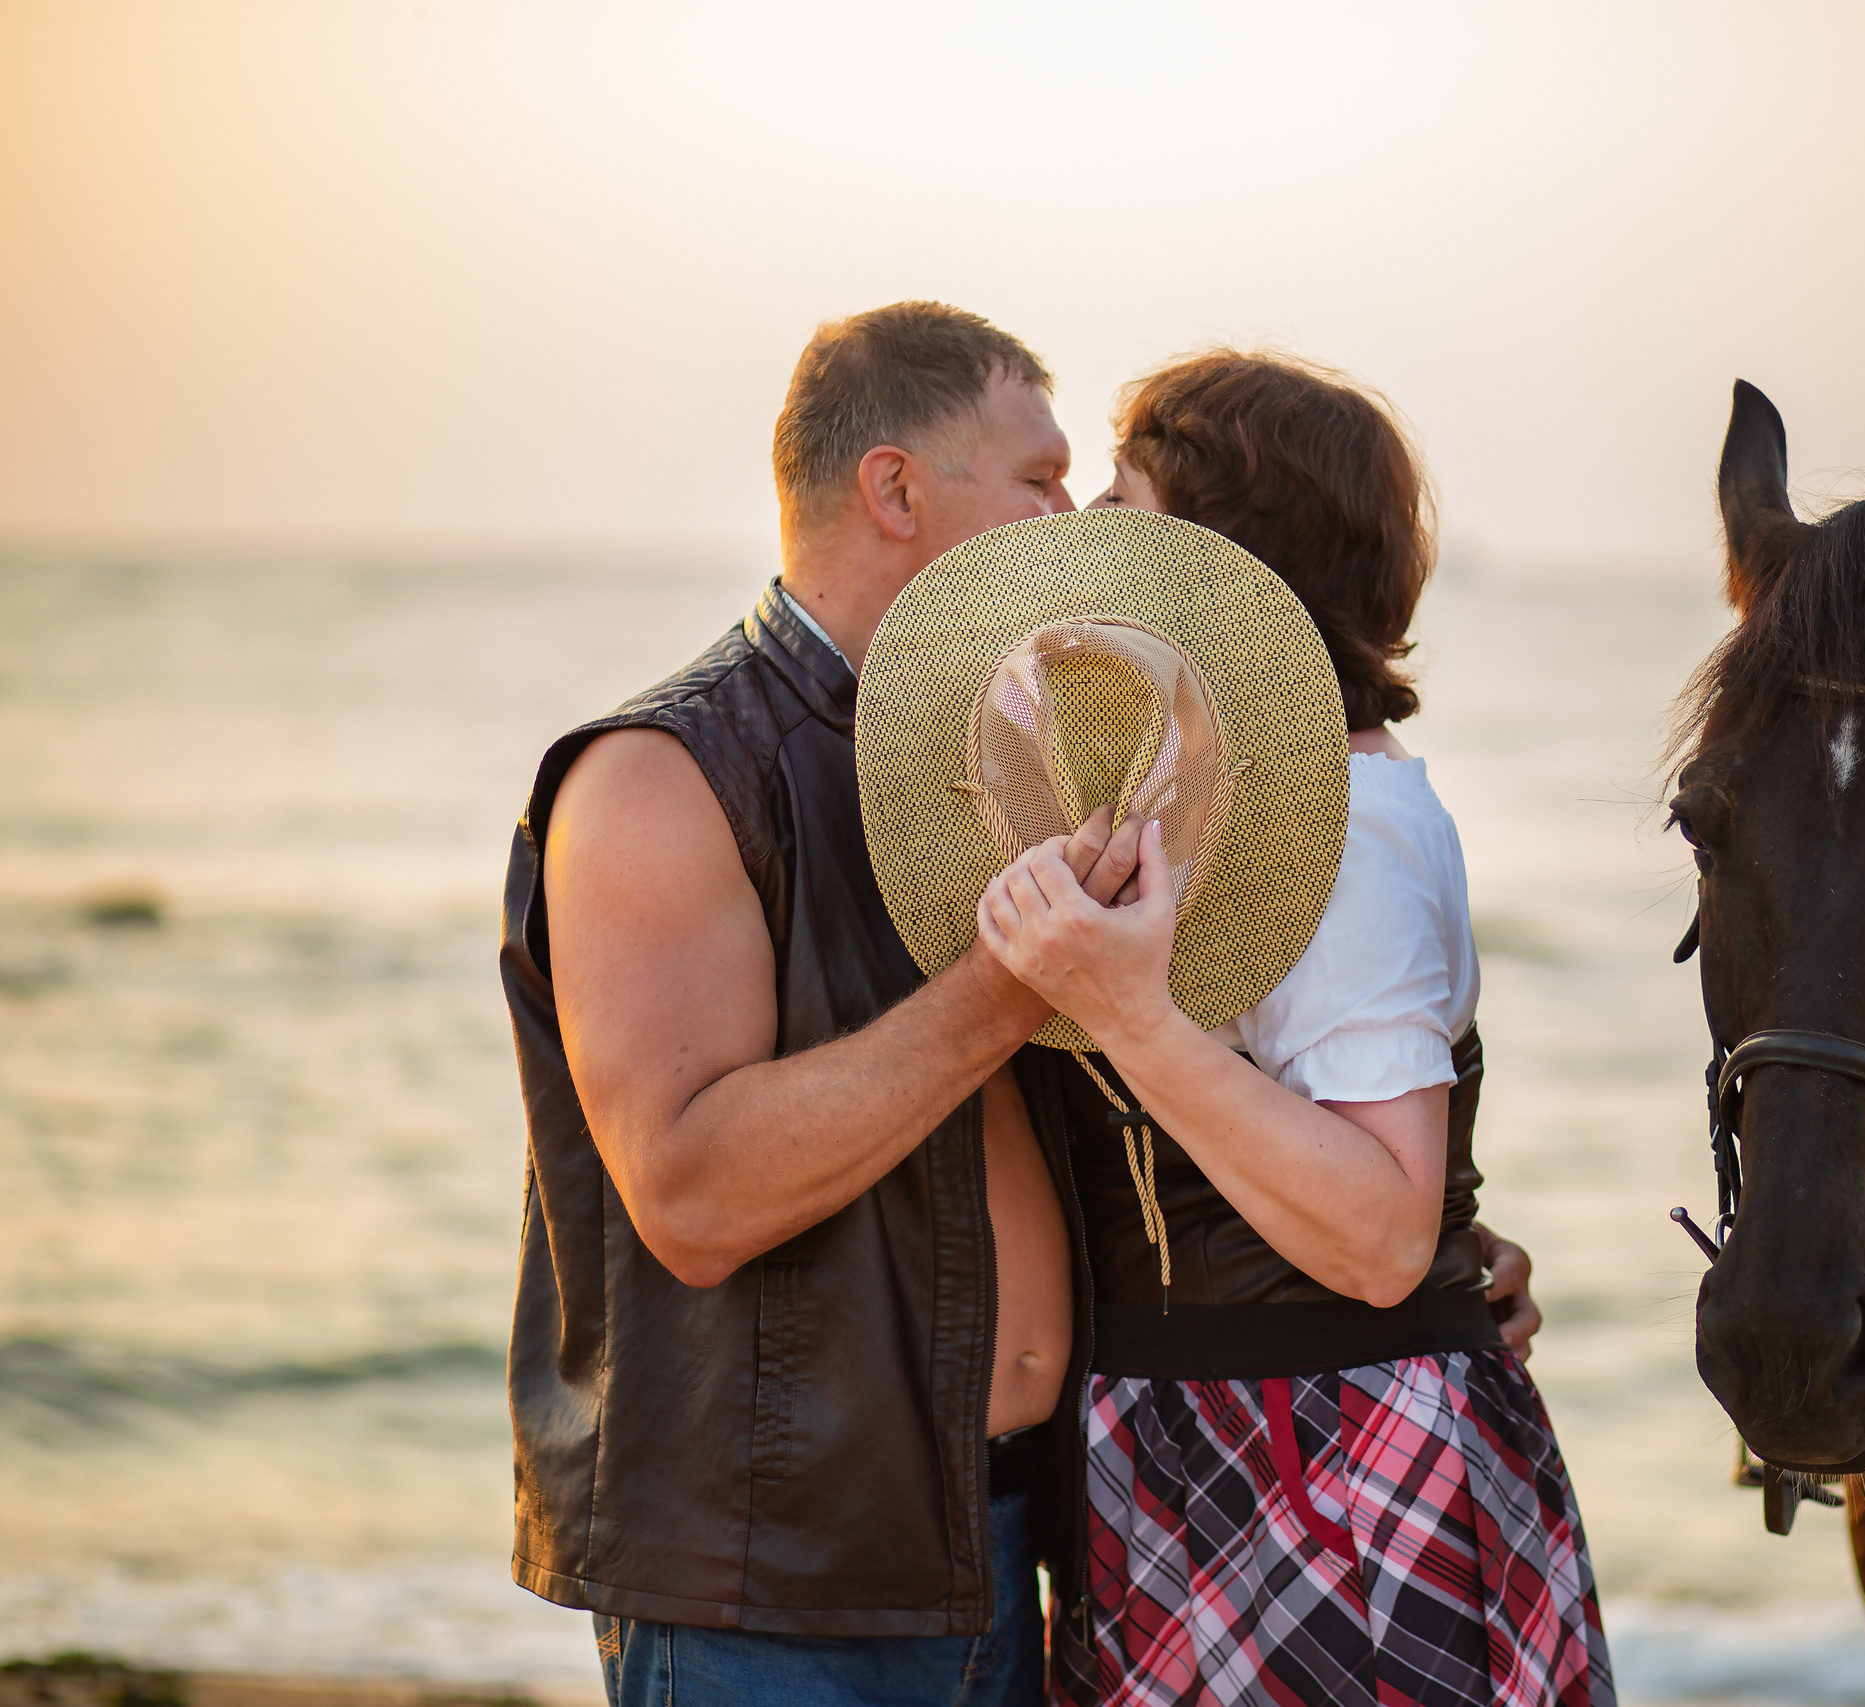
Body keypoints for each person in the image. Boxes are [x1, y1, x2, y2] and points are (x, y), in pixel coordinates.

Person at [499, 303, 1544, 1705]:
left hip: (1040, 1540)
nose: (1074, 522)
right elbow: (687, 1195)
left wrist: (1431, 1257)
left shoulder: (1028, 752)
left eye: (1089, 487)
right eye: (1043, 481)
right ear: (895, 490)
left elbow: (1191, 1103)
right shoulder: (669, 775)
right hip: (778, 1587)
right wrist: (1018, 985)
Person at [975, 353, 1611, 1706]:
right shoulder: (1252, 804)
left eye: (1124, 494)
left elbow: (1381, 1233)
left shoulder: (1348, 828)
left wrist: (1133, 1018)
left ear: (1221, 561)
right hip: (1207, 1453)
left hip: (1331, 1473)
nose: (1087, 522)